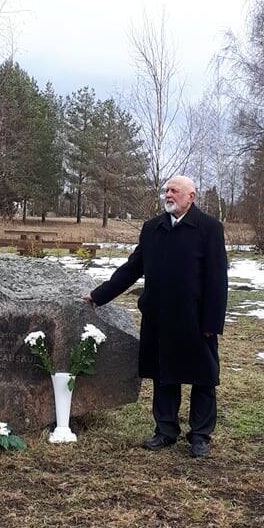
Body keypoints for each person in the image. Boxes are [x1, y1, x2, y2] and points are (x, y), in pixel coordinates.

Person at [86, 176, 228, 458]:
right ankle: (165, 431)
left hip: (196, 322)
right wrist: (99, 294)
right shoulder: (153, 228)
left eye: (175, 191)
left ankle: (200, 435)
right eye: (167, 190)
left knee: (203, 378)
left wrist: (212, 323)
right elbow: (132, 268)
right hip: (159, 318)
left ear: (192, 197)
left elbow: (217, 279)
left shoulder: (209, 228)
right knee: (164, 376)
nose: (169, 194)